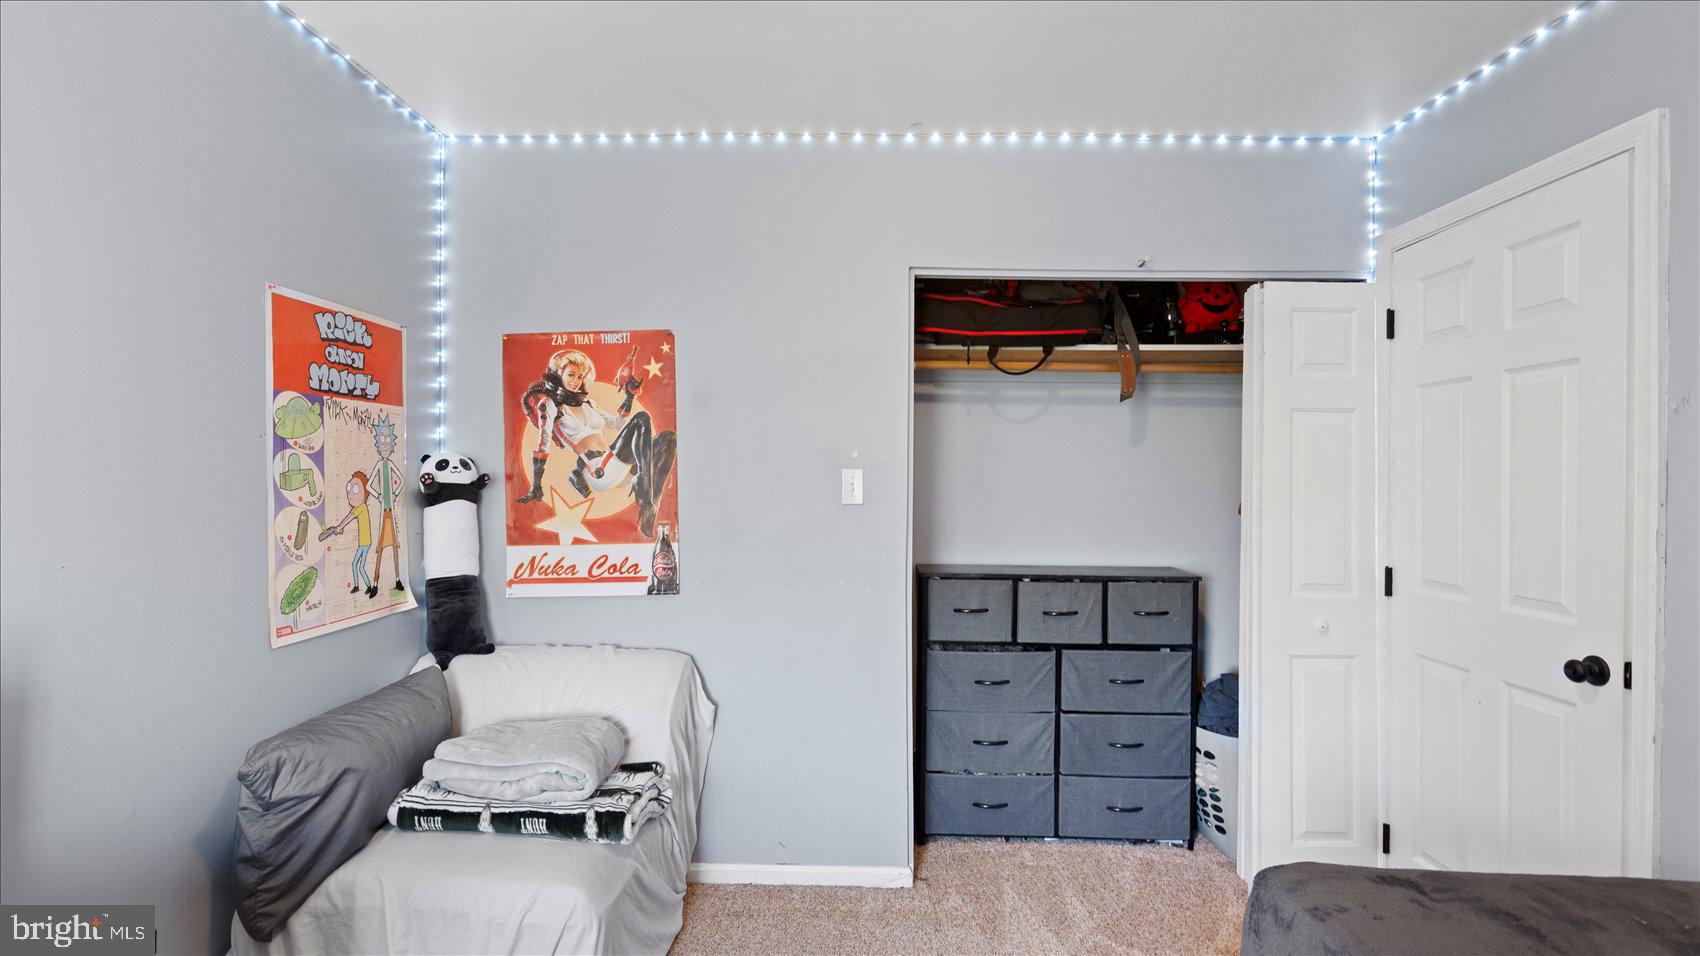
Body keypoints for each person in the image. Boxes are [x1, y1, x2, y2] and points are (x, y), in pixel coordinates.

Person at [514, 348, 677, 538]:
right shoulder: (550, 405)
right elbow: (543, 442)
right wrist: (536, 485)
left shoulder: (588, 404)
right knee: (642, 418)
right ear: (558, 375)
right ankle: (643, 484)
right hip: (598, 470)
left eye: (580, 376)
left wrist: (629, 397)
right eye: (571, 375)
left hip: (618, 463)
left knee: (669, 438)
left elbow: (617, 424)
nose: (576, 381)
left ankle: (649, 508)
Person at [365, 416, 405, 594]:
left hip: (391, 513)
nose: (386, 444)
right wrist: (378, 495)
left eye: (388, 440)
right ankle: (375, 583)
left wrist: (395, 494)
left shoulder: (391, 464)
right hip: (384, 513)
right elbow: (368, 485)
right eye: (383, 441)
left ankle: (397, 580)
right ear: (378, 444)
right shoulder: (379, 465)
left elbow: (402, 480)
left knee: (395, 546)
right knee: (380, 548)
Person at [328, 471, 374, 596]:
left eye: (354, 489)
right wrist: (339, 528)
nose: (349, 493)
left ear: (363, 496)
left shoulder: (362, 506)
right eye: (349, 488)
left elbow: (349, 518)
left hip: (365, 543)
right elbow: (349, 517)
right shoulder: (357, 508)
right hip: (362, 543)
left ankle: (369, 586)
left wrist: (339, 527)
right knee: (355, 565)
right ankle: (357, 586)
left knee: (360, 566)